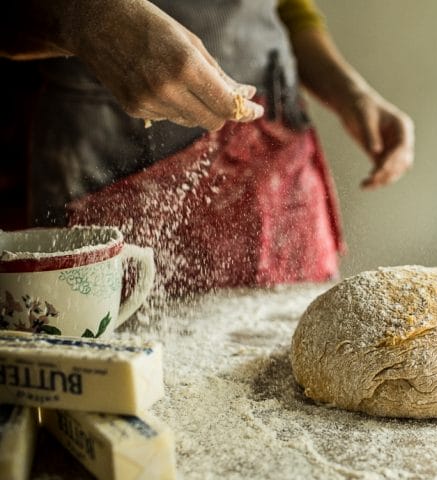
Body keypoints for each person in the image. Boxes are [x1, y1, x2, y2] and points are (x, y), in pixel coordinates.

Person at [1, 0, 414, 295]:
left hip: (274, 151)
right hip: (116, 154)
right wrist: (93, 18)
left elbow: (285, 8)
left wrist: (348, 91)